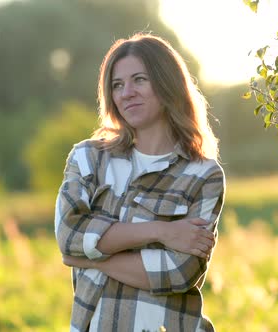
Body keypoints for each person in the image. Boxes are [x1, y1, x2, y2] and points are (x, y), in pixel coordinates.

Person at [54, 32, 225, 332]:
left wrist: (93, 259)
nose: (126, 93)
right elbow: (69, 236)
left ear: (167, 84)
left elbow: (178, 272)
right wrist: (162, 231)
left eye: (139, 80)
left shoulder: (203, 175)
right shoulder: (88, 158)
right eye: (117, 85)